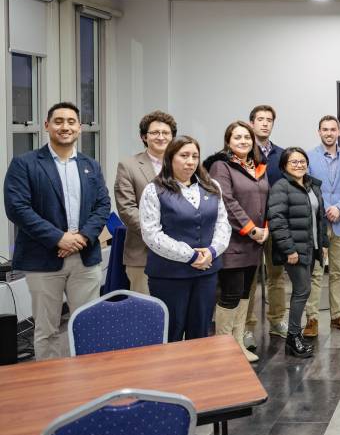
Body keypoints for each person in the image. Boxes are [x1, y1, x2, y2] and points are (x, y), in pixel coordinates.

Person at [4, 102, 110, 360]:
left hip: (85, 258)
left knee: (88, 326)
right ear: (47, 126)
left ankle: (88, 384)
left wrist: (82, 237)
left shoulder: (90, 165)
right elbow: (17, 208)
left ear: (79, 128)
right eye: (59, 121)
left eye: (71, 122)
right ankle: (52, 389)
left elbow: (103, 204)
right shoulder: (25, 164)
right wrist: (59, 238)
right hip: (43, 259)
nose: (65, 127)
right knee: (46, 330)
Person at [139, 136, 229, 342]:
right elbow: (151, 234)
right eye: (184, 155)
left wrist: (212, 252)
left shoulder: (212, 186)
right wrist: (190, 255)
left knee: (201, 331)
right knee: (171, 332)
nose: (190, 161)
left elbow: (223, 224)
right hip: (170, 275)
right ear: (170, 158)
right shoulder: (154, 190)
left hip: (207, 273)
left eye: (195, 156)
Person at [205, 121, 270, 362]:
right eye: (237, 137)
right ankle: (224, 346)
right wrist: (252, 230)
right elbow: (227, 202)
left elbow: (265, 200)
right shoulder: (221, 166)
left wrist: (265, 229)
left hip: (255, 242)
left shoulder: (258, 167)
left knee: (245, 293)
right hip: (232, 241)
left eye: (247, 137)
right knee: (230, 293)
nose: (243, 141)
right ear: (228, 141)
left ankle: (239, 341)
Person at [268, 147, 329, 358]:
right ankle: (293, 339)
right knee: (302, 290)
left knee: (303, 290)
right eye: (293, 162)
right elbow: (277, 221)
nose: (299, 165)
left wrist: (323, 244)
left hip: (310, 248)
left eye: (302, 161)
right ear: (284, 165)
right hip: (294, 251)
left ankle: (295, 335)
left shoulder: (311, 186)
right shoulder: (281, 187)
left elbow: (320, 218)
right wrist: (289, 250)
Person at [303, 116, 340, 338]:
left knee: (338, 272)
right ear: (319, 132)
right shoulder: (308, 156)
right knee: (316, 273)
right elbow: (305, 185)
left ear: (339, 131)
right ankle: (312, 319)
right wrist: (326, 208)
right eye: (324, 129)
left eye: (333, 129)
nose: (329, 133)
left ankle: (338, 316)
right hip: (317, 222)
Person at [114, 110, 177, 295]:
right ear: (144, 136)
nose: (161, 137)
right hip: (143, 254)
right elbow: (127, 209)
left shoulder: (184, 163)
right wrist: (157, 236)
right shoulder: (128, 165)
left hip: (181, 252)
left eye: (166, 133)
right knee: (146, 314)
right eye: (154, 133)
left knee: (176, 314)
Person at [244, 104, 287, 350]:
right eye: (260, 119)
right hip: (249, 228)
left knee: (277, 277)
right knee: (248, 279)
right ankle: (247, 327)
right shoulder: (241, 153)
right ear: (251, 123)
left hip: (275, 224)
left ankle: (277, 320)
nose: (264, 123)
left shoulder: (281, 155)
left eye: (269, 120)